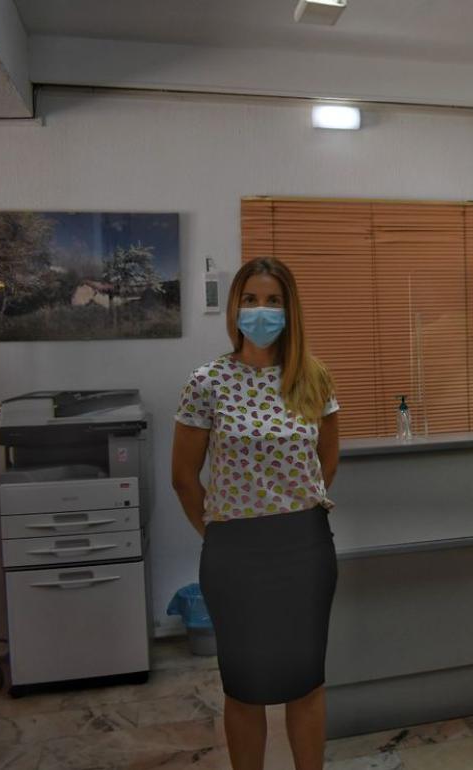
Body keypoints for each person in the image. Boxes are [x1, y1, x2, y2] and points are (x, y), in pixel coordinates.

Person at [171, 257, 340, 770]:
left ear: (290, 310)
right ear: (234, 307)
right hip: (235, 555)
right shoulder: (208, 381)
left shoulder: (313, 378)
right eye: (250, 299)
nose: (260, 311)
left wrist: (287, 506)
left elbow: (327, 460)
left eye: (272, 300)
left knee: (305, 682)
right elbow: (184, 477)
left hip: (303, 549)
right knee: (244, 688)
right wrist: (220, 534)